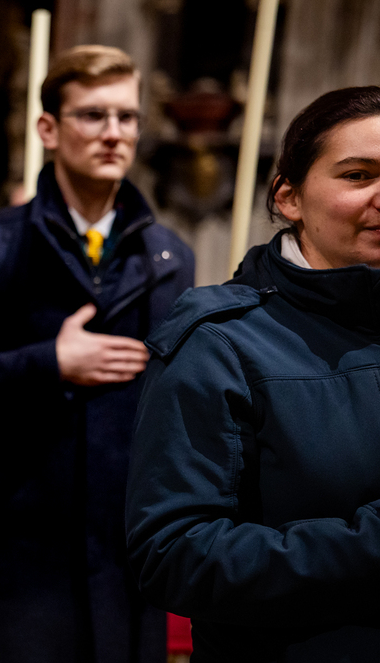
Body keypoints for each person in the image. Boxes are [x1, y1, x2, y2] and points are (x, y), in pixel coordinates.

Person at [0, 45, 194, 662]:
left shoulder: (169, 257)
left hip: (125, 556)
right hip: (17, 557)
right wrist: (50, 362)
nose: (114, 132)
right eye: (92, 115)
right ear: (48, 129)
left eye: (127, 116)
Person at [126, 86, 380, 660]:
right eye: (358, 175)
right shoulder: (222, 342)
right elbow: (173, 556)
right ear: (289, 197)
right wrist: (368, 546)